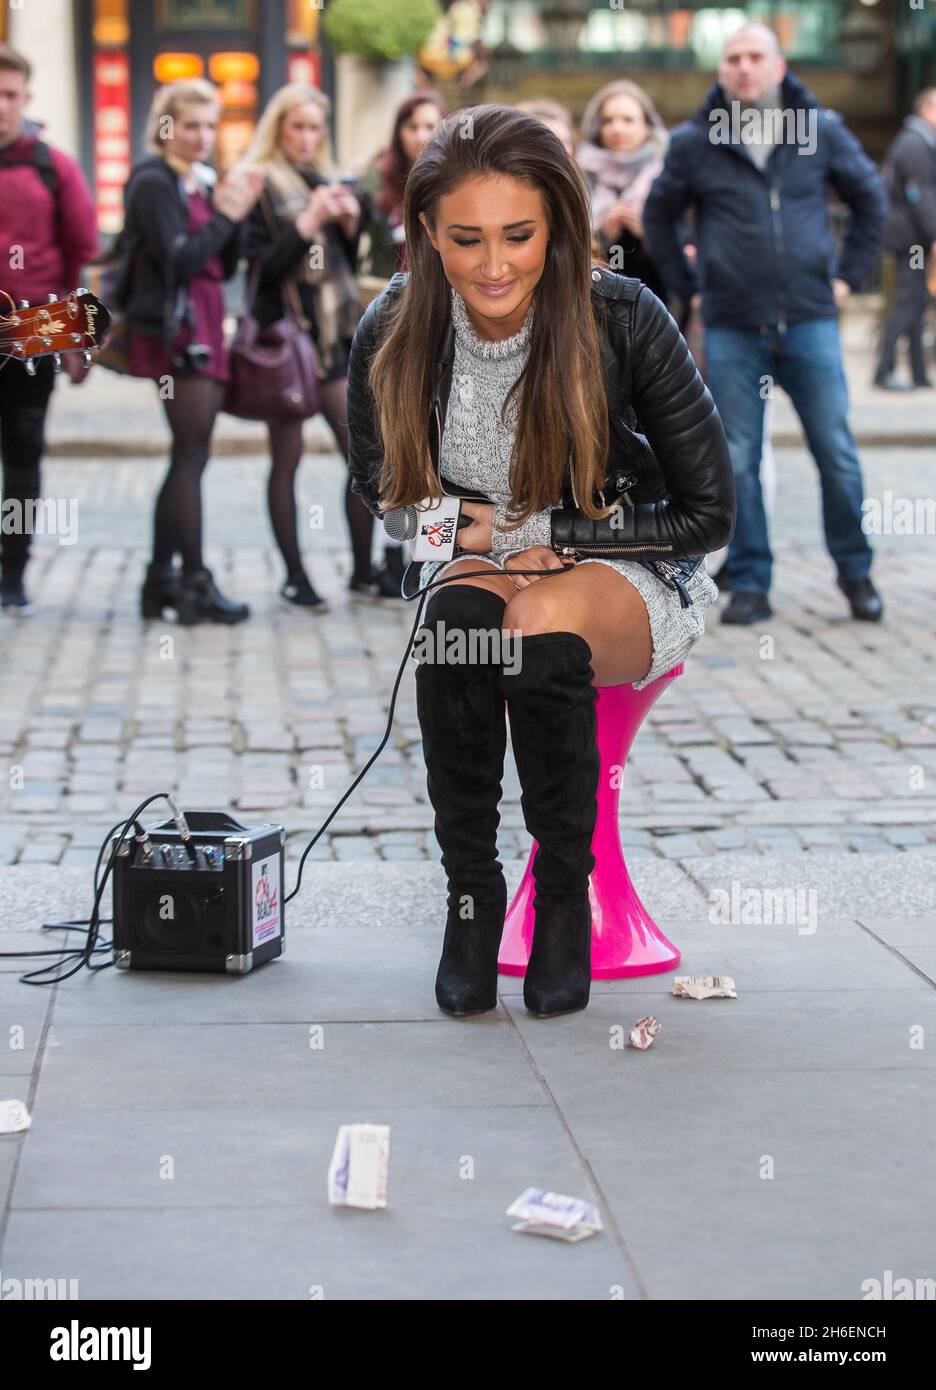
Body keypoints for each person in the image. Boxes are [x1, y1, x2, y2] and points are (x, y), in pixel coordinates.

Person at [346, 105, 734, 1019]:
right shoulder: (393, 328)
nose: (494, 265)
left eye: (518, 235)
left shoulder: (621, 315)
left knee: (534, 619)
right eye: (465, 238)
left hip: (627, 565)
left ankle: (563, 895)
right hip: (481, 558)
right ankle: (472, 900)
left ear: (557, 224)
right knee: (455, 628)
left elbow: (708, 511)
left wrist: (563, 540)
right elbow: (388, 504)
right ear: (427, 233)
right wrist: (475, 541)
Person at [643, 22, 886, 626]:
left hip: (810, 319)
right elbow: (659, 213)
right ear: (721, 71)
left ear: (779, 67)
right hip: (732, 326)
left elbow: (870, 199)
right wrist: (691, 287)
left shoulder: (819, 129)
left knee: (836, 452)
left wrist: (849, 276)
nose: (744, 67)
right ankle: (751, 581)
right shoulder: (695, 140)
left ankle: (856, 573)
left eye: (755, 56)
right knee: (738, 458)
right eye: (733, 58)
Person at [123, 78, 262, 624]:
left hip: (203, 322)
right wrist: (227, 216)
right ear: (165, 127)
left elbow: (223, 266)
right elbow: (179, 260)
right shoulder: (153, 181)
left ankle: (161, 580)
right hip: (177, 333)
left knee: (192, 453)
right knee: (190, 452)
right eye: (191, 125)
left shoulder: (198, 181)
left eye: (210, 125)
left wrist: (236, 214)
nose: (203, 136)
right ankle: (194, 582)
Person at [241, 82, 377, 611]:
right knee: (288, 456)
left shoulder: (324, 177)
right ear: (277, 128)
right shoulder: (259, 183)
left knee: (360, 455)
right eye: (296, 126)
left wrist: (348, 223)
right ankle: (295, 575)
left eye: (314, 127)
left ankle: (364, 571)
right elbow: (260, 270)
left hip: (334, 336)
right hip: (286, 338)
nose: (305, 137)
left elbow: (346, 261)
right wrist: (308, 222)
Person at [0, 42, 97, 614]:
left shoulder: (51, 166)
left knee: (23, 452)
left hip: (31, 333)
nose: (1, 105)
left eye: (9, 94)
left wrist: (79, 341)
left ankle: (13, 570)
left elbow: (81, 253)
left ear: (25, 98)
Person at [355, 89, 447, 599]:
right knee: (395, 448)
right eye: (413, 125)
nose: (422, 134)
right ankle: (393, 556)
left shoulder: (457, 183)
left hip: (446, 332)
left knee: (443, 456)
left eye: (432, 124)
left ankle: (435, 566)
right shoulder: (377, 183)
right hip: (390, 332)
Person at [576, 79, 669, 303]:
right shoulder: (580, 174)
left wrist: (649, 232)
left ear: (647, 126)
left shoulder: (666, 174)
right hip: (595, 304)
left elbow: (685, 247)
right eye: (607, 121)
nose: (617, 128)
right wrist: (601, 237)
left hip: (657, 303)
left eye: (628, 120)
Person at [874, 88, 936, 391]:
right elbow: (918, 194)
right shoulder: (915, 143)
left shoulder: (919, 141)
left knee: (915, 302)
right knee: (907, 301)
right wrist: (934, 233)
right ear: (927, 109)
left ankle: (918, 372)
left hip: (912, 234)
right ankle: (883, 369)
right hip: (909, 237)